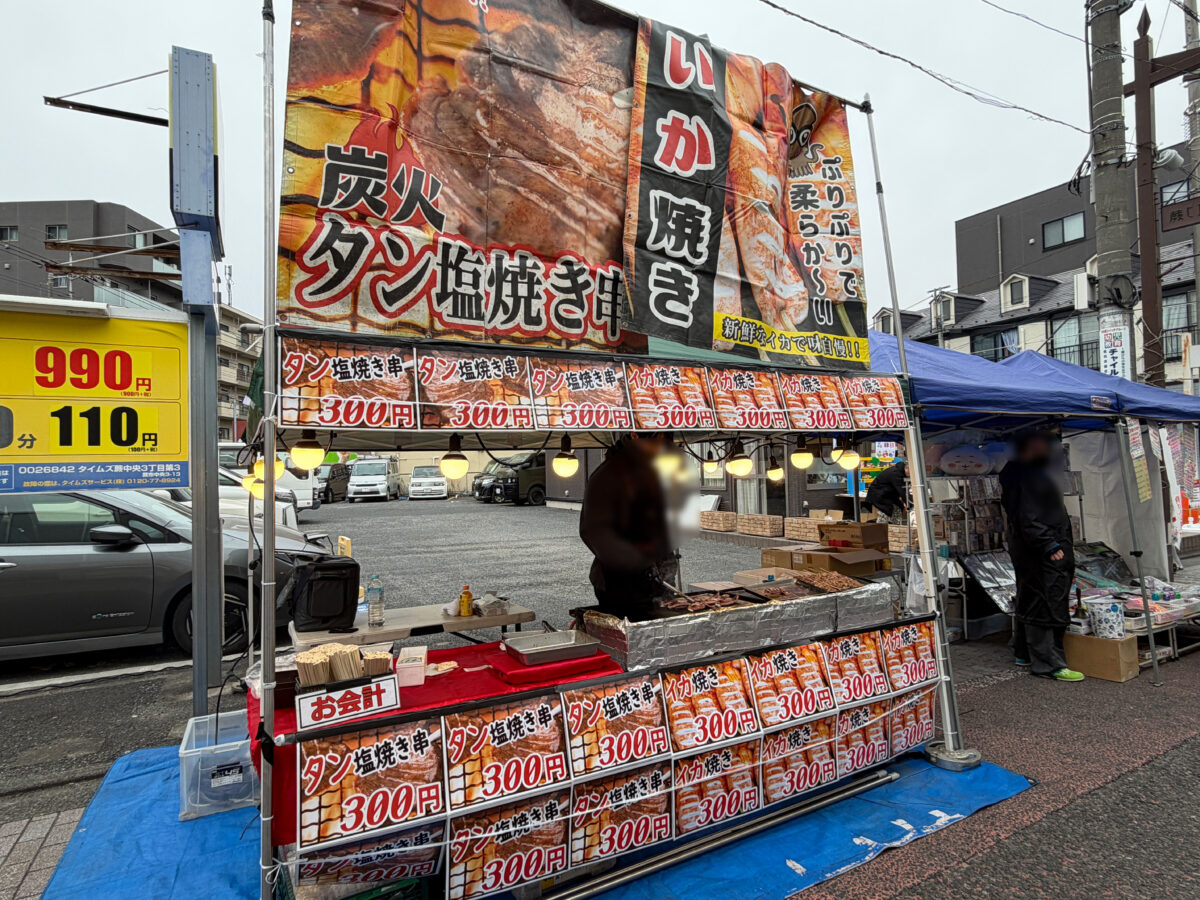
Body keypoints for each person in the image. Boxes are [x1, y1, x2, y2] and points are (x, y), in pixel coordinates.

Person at [999, 432, 1084, 682]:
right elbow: (1028, 516)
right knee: (1045, 602)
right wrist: (1049, 545)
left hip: (1034, 548)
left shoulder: (1021, 472)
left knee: (1032, 597)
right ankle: (1049, 664)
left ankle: (1023, 651)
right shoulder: (1026, 475)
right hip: (1041, 550)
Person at [579, 434, 676, 619]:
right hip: (620, 584)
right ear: (635, 436)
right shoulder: (607, 476)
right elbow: (591, 532)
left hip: (657, 580)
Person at [865, 458, 908, 524]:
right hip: (879, 495)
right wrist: (908, 502)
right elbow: (902, 490)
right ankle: (880, 531)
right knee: (884, 512)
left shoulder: (900, 472)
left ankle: (895, 529)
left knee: (897, 509)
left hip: (888, 495)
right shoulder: (895, 474)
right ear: (906, 469)